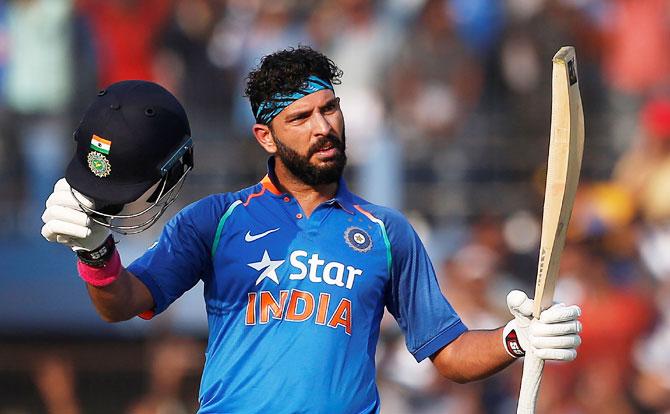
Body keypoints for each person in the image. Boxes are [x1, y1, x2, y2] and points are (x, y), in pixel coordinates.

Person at [41, 46, 582, 413]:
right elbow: (124, 302)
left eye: (330, 109)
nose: (324, 128)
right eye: (300, 119)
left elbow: (448, 353)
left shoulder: (388, 232)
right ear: (266, 137)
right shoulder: (216, 219)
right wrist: (95, 252)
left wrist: (516, 340)